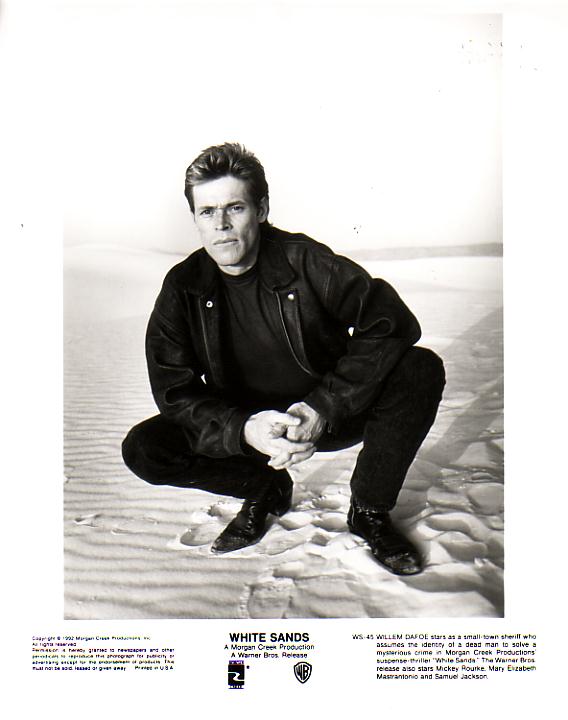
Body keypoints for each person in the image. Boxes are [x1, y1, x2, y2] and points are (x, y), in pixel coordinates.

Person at [122, 142, 445, 576]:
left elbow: (390, 322)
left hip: (326, 416)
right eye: (207, 211)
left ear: (261, 209)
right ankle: (266, 487)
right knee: (146, 447)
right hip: (251, 431)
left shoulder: (304, 259)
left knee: (419, 368)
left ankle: (369, 510)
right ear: (195, 218)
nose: (221, 224)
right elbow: (173, 391)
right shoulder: (184, 286)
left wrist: (322, 406)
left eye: (235, 208)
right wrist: (244, 429)